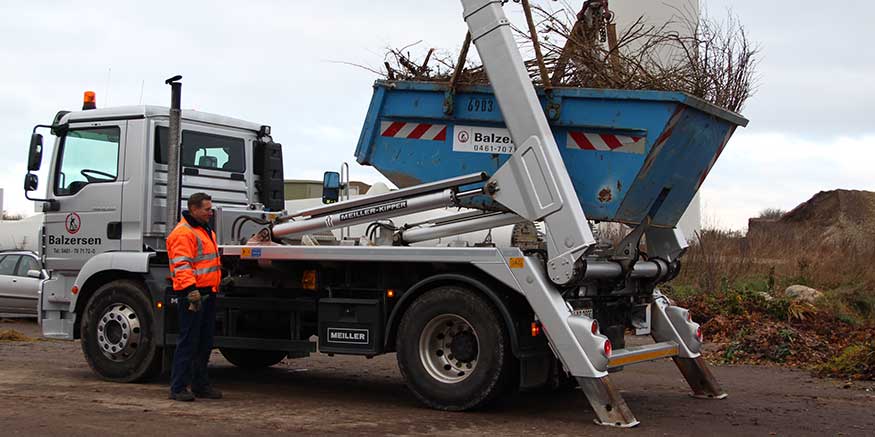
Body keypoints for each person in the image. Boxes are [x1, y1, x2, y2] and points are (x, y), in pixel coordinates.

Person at [166, 192, 223, 401]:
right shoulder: (184, 233)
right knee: (189, 342)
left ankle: (200, 384)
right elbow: (182, 265)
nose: (210, 212)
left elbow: (204, 262)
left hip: (206, 293)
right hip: (193, 295)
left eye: (210, 208)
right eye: (207, 209)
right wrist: (191, 291)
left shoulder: (204, 230)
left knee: (204, 342)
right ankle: (178, 387)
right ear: (194, 209)